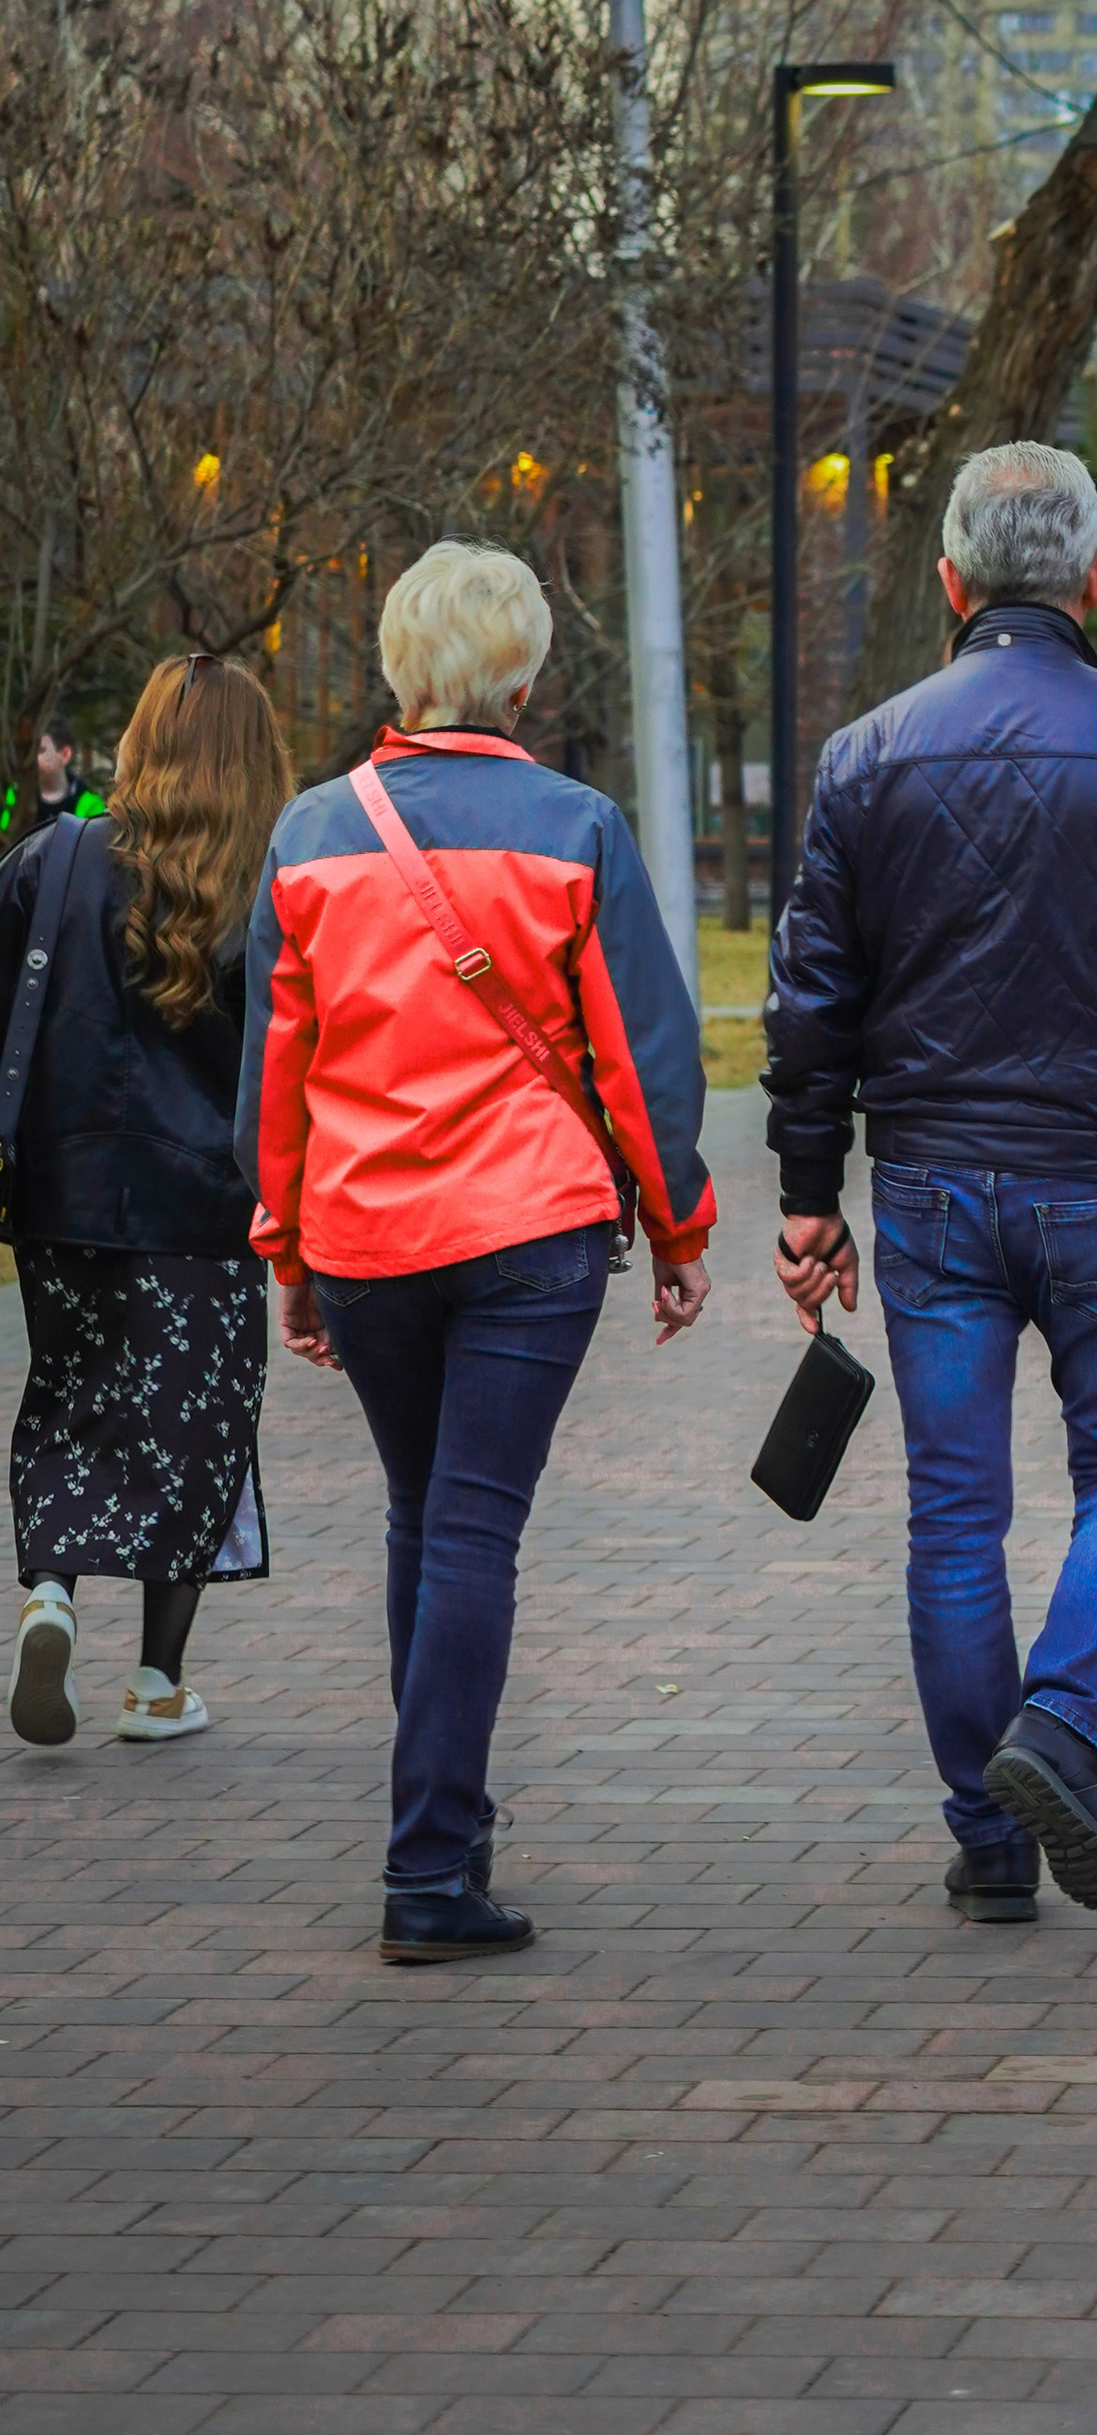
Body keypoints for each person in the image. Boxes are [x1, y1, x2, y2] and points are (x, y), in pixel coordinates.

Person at [765, 441, 1097, 1928]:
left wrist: (811, 1189)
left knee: (954, 1515)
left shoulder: (867, 755)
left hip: (931, 1183)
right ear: (1096, 580)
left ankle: (988, 1842)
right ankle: (1062, 1726)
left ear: (947, 583)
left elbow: (812, 995)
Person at [239, 543, 715, 1965]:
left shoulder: (314, 834)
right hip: (530, 1228)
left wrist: (287, 1247)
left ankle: (444, 1829)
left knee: (420, 1515)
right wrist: (677, 1220)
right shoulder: (575, 827)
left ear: (400, 662)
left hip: (369, 1231)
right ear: (520, 672)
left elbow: (282, 1066)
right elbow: (642, 1054)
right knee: (471, 1526)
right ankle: (432, 1861)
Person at [5, 657, 296, 1752]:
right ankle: (158, 1682)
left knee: (69, 1398)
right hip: (203, 1208)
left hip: (61, 1189)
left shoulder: (58, 855)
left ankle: (51, 1594)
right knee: (195, 1431)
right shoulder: (267, 882)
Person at [0, 719, 108, 848]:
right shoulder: (14, 796)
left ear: (65, 754)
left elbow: (95, 847)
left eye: (41, 750)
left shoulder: (88, 803)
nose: (32, 757)